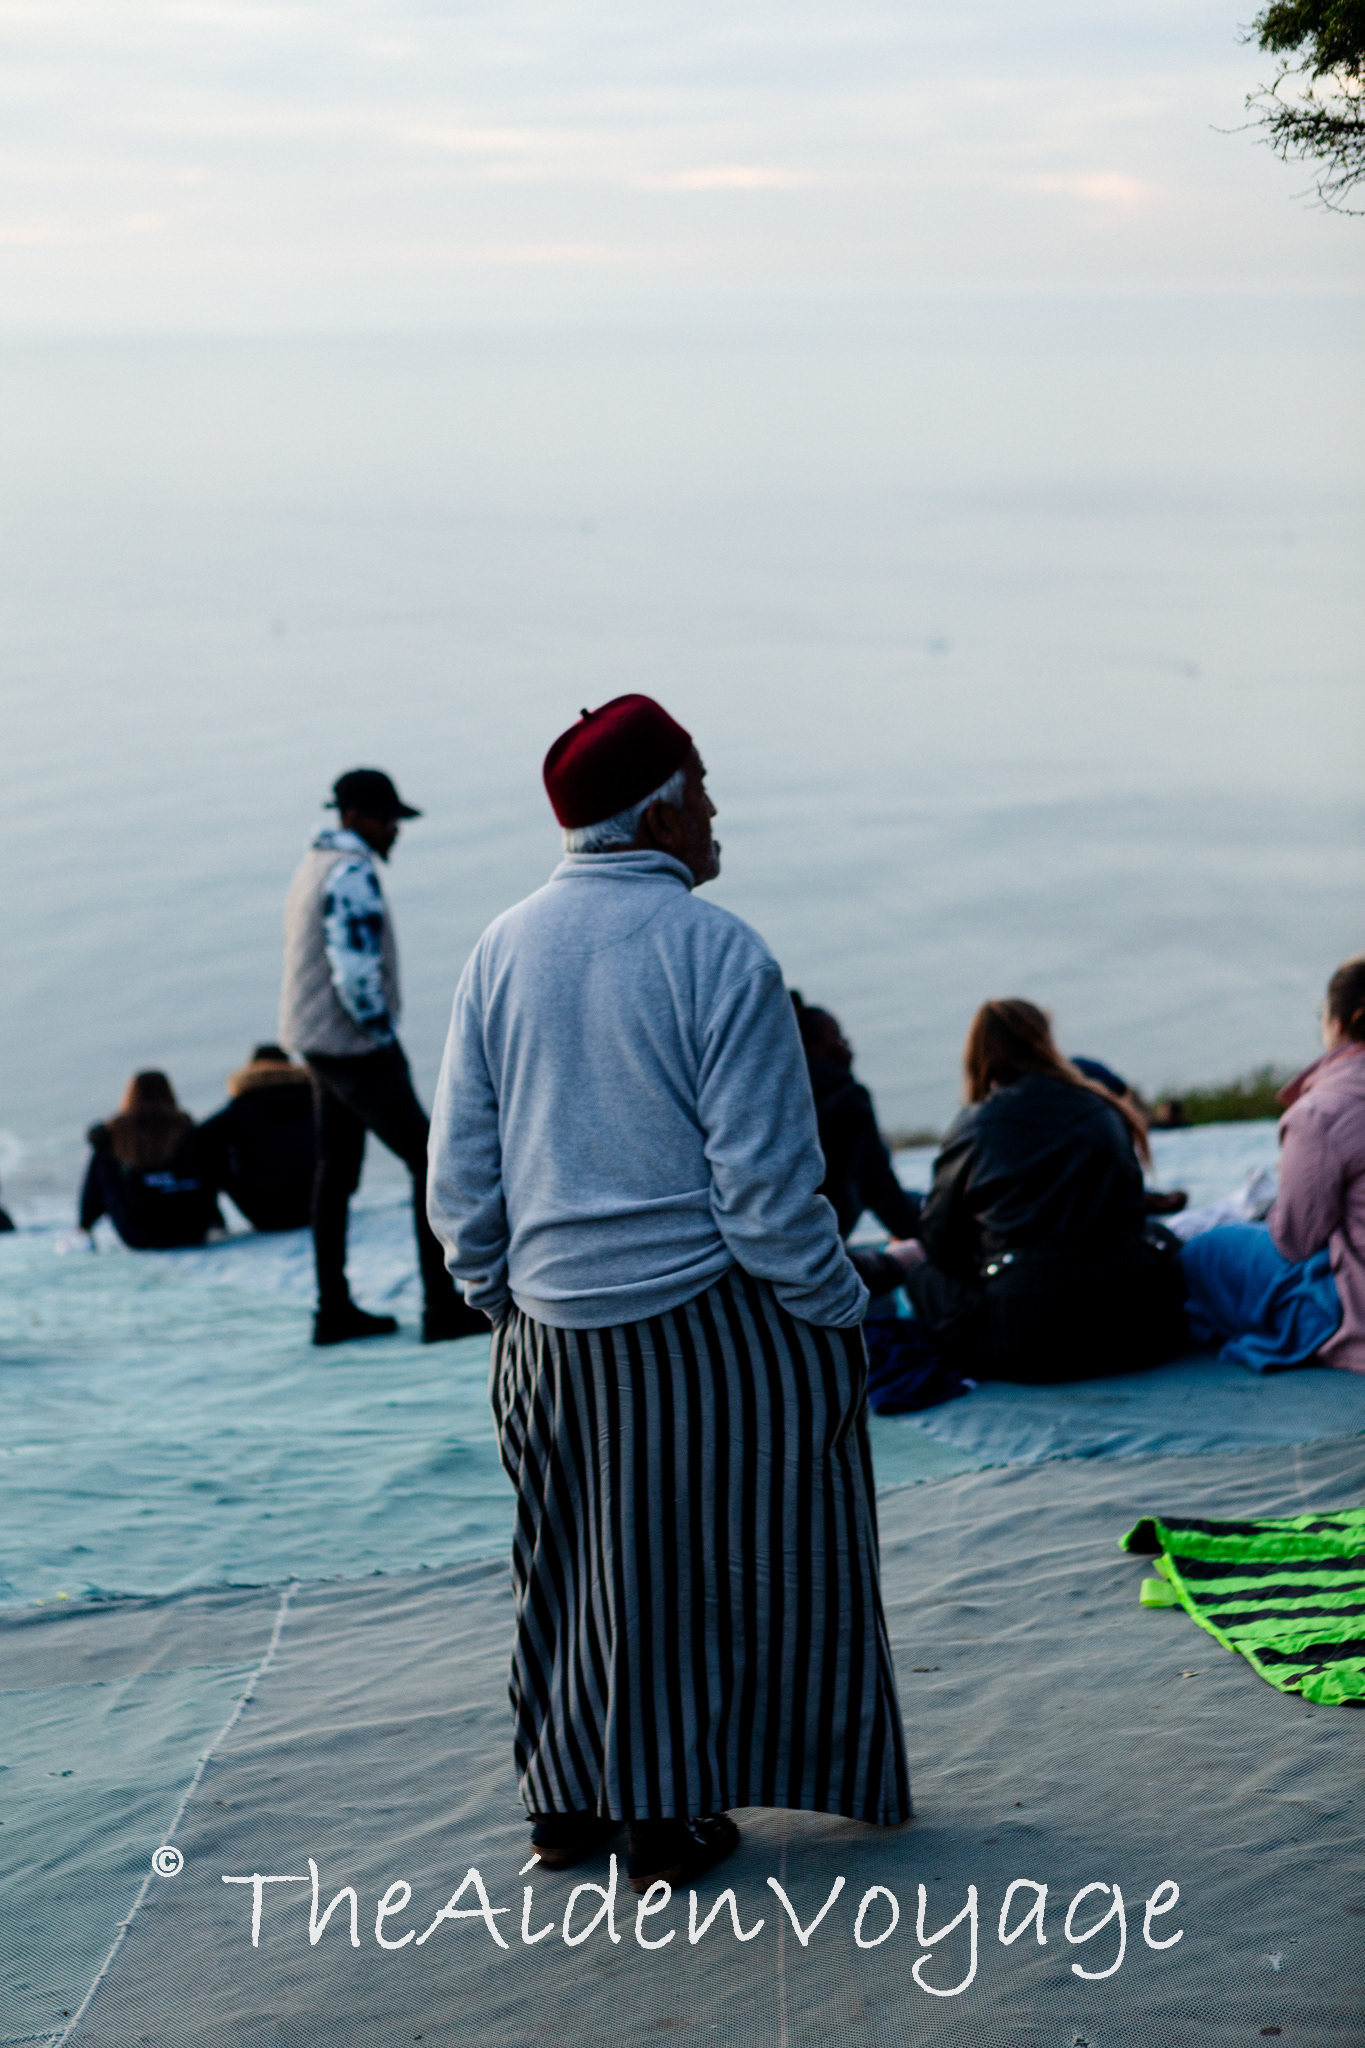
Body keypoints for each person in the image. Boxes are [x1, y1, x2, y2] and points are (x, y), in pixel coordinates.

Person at [428, 695, 910, 1896]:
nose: (715, 808)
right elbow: (767, 1196)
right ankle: (664, 1815)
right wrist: (837, 1308)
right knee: (718, 1553)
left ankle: (565, 1804)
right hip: (697, 1317)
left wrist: (499, 1297)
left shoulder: (499, 947)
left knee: (567, 1560)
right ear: (657, 816)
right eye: (701, 785)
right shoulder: (718, 950)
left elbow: (461, 1177)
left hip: (544, 1331)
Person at [279, 767, 484, 1347]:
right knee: (429, 1161)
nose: (395, 830)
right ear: (356, 818)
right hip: (353, 1045)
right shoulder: (351, 872)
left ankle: (333, 1309)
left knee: (336, 1173)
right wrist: (379, 1032)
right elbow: (355, 969)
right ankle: (441, 1308)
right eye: (388, 819)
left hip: (315, 1039)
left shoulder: (315, 862)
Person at [902, 999, 1186, 1384]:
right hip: (1140, 1327)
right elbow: (1131, 1210)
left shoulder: (973, 1124)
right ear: (1044, 1039)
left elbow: (942, 1244)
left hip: (1028, 1340)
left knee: (921, 1274)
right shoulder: (1101, 1108)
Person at [1180, 957, 1365, 1375]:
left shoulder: (1323, 1111)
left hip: (1353, 1302)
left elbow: (1296, 1240)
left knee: (1204, 1252)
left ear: (1340, 1022)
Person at [791, 994, 922, 1241]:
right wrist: (924, 1243)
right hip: (825, 1234)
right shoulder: (845, 1097)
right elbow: (876, 1182)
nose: (847, 1046)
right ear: (813, 1047)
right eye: (838, 1038)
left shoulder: (782, 1096)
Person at [79, 1072, 223, 1250]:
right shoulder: (186, 1128)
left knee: (104, 1161)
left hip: (138, 1233)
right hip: (192, 1228)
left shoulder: (113, 1134)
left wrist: (85, 1224)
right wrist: (215, 1219)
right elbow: (209, 1177)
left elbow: (94, 1188)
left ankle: (84, 1228)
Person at [196, 1044, 316, 1232]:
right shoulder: (315, 1098)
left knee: (212, 1149)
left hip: (265, 1211)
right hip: (325, 1202)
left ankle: (211, 1220)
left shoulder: (241, 1107)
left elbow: (199, 1138)